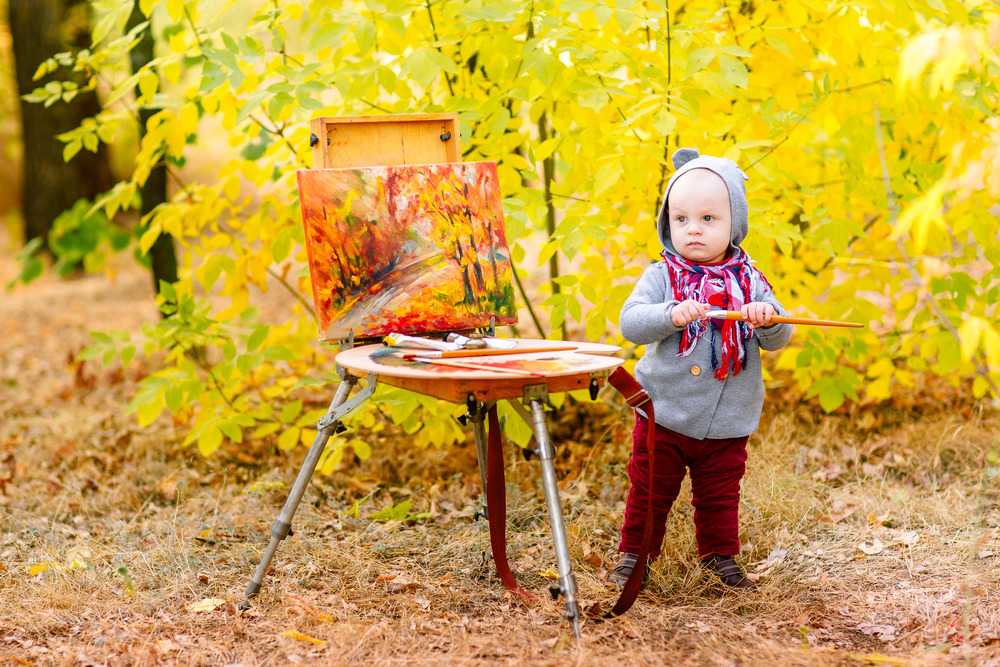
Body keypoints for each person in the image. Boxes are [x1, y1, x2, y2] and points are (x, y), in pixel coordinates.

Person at [611, 148, 793, 589]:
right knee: (651, 489)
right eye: (681, 219)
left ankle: (719, 557)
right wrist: (670, 315)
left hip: (728, 417)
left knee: (719, 493)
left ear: (735, 225)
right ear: (667, 223)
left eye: (708, 219)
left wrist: (765, 319)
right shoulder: (663, 276)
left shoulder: (750, 280)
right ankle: (636, 554)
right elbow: (631, 323)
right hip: (665, 412)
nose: (693, 229)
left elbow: (780, 337)